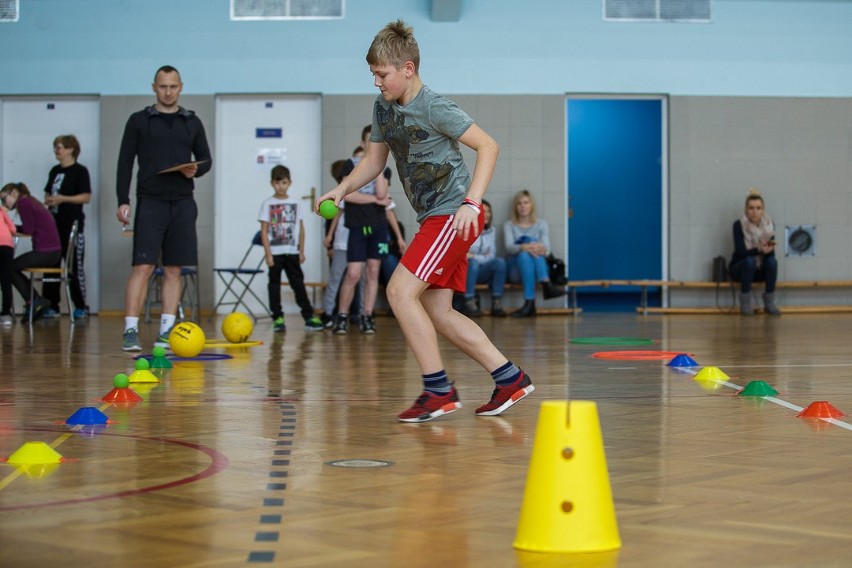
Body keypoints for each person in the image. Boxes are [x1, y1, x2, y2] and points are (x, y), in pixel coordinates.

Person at [315, 19, 534, 422]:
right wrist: (342, 189)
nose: (377, 83)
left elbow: (488, 146)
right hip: (433, 218)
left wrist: (473, 202)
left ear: (408, 69)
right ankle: (509, 378)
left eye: (382, 75)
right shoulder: (383, 107)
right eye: (373, 75)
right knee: (439, 310)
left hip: (453, 214)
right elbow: (375, 161)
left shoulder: (435, 106)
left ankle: (438, 390)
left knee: (399, 291)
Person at [115, 65, 212, 352]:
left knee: (173, 269)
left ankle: (167, 332)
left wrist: (195, 170)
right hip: (150, 201)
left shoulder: (192, 122)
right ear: (154, 87)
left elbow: (206, 160)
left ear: (181, 87)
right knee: (143, 266)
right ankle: (130, 330)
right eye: (162, 87)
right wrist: (123, 199)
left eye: (173, 86)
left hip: (183, 202)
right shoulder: (138, 121)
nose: (168, 92)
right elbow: (125, 162)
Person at [332, 142, 391, 335]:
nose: (371, 144)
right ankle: (342, 316)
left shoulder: (385, 169)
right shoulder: (350, 164)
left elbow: (383, 193)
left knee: (373, 272)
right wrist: (374, 200)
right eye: (369, 140)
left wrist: (378, 168)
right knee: (353, 273)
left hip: (378, 227)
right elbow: (347, 195)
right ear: (362, 142)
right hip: (357, 226)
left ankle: (367, 315)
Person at [258, 165, 324, 332]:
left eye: (284, 182)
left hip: (292, 251)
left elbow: (301, 228)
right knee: (274, 285)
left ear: (290, 183)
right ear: (272, 183)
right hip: (275, 252)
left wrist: (301, 250)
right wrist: (268, 253)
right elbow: (264, 231)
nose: (281, 186)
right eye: (277, 182)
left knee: (298, 284)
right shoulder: (267, 204)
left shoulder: (295, 202)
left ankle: (308, 317)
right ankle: (278, 317)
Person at [42, 134, 91, 320]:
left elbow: (86, 197)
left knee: (73, 265)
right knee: (51, 263)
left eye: (60, 147)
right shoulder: (54, 170)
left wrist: (64, 199)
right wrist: (49, 199)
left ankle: (80, 306)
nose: (57, 150)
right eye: (56, 147)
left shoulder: (80, 171)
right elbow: (47, 191)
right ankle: (51, 305)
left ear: (71, 149)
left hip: (72, 224)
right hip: (53, 224)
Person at [0, 182, 61, 322]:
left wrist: (11, 228)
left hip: (47, 252)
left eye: (4, 199)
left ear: (14, 193)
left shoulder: (24, 202)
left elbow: (28, 230)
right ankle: (35, 300)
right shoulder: (30, 201)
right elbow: (31, 228)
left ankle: (34, 300)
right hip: (52, 251)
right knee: (12, 268)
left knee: (10, 268)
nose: (4, 203)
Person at [503, 189, 566, 318]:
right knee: (527, 248)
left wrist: (533, 248)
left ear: (531, 205)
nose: (523, 206)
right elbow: (509, 248)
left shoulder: (541, 224)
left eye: (526, 202)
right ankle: (546, 284)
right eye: (519, 203)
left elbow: (547, 250)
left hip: (536, 270)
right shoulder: (509, 225)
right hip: (515, 271)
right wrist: (527, 246)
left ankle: (529, 304)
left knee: (526, 254)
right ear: (515, 206)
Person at [321, 160, 364, 328]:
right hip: (341, 244)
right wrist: (330, 238)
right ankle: (328, 313)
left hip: (358, 243)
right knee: (335, 278)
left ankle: (358, 314)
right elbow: (337, 216)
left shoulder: (362, 195)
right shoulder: (341, 197)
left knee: (358, 280)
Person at [729, 188, 780, 316]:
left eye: (758, 208)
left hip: (759, 269)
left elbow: (769, 256)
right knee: (749, 260)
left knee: (772, 262)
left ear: (763, 210)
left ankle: (769, 303)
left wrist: (768, 251)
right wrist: (758, 250)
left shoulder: (769, 225)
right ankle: (745, 304)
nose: (754, 212)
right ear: (746, 209)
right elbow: (740, 252)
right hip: (741, 267)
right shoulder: (738, 225)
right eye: (751, 208)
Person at [461, 199, 507, 317]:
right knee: (473, 263)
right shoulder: (466, 229)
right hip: (466, 272)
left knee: (500, 262)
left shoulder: (491, 231)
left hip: (482, 271)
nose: (486, 214)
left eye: (488, 211)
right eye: (483, 211)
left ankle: (497, 302)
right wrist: (480, 256)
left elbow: (491, 255)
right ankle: (469, 301)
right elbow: (463, 255)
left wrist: (474, 256)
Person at [0, 199, 16, 326]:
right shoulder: (2, 211)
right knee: (6, 280)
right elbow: (13, 229)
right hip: (7, 247)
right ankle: (6, 314)